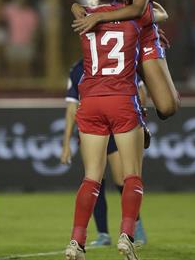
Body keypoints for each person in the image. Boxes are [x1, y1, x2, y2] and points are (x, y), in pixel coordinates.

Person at [64, 0, 167, 260]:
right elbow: (161, 13)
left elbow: (79, 7)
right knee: (132, 175)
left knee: (92, 177)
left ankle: (76, 242)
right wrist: (132, 0)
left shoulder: (85, 15)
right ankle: (126, 236)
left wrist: (83, 6)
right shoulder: (136, 16)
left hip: (91, 101)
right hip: (122, 99)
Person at [61, 58, 148, 247]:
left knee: (120, 179)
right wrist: (66, 143)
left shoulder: (119, 59)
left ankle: (135, 226)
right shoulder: (77, 69)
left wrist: (138, 112)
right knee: (95, 180)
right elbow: (71, 108)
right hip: (97, 124)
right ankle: (103, 234)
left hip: (115, 125)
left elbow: (141, 90)